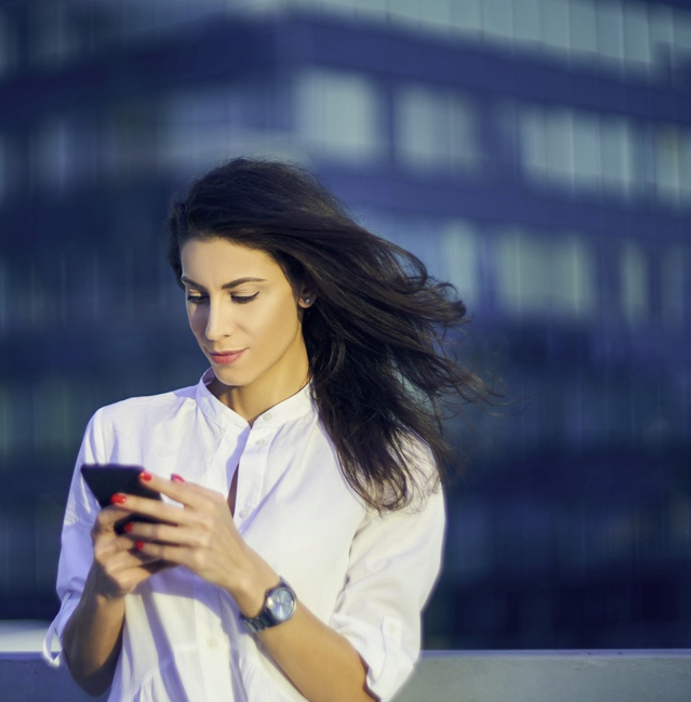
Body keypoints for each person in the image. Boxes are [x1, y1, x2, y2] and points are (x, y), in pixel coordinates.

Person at [41, 158, 492, 702]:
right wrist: (107, 590)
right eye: (195, 295)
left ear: (305, 287)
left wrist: (248, 577)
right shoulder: (121, 431)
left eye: (243, 295)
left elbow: (360, 693)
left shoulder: (392, 462)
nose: (214, 326)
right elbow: (89, 674)